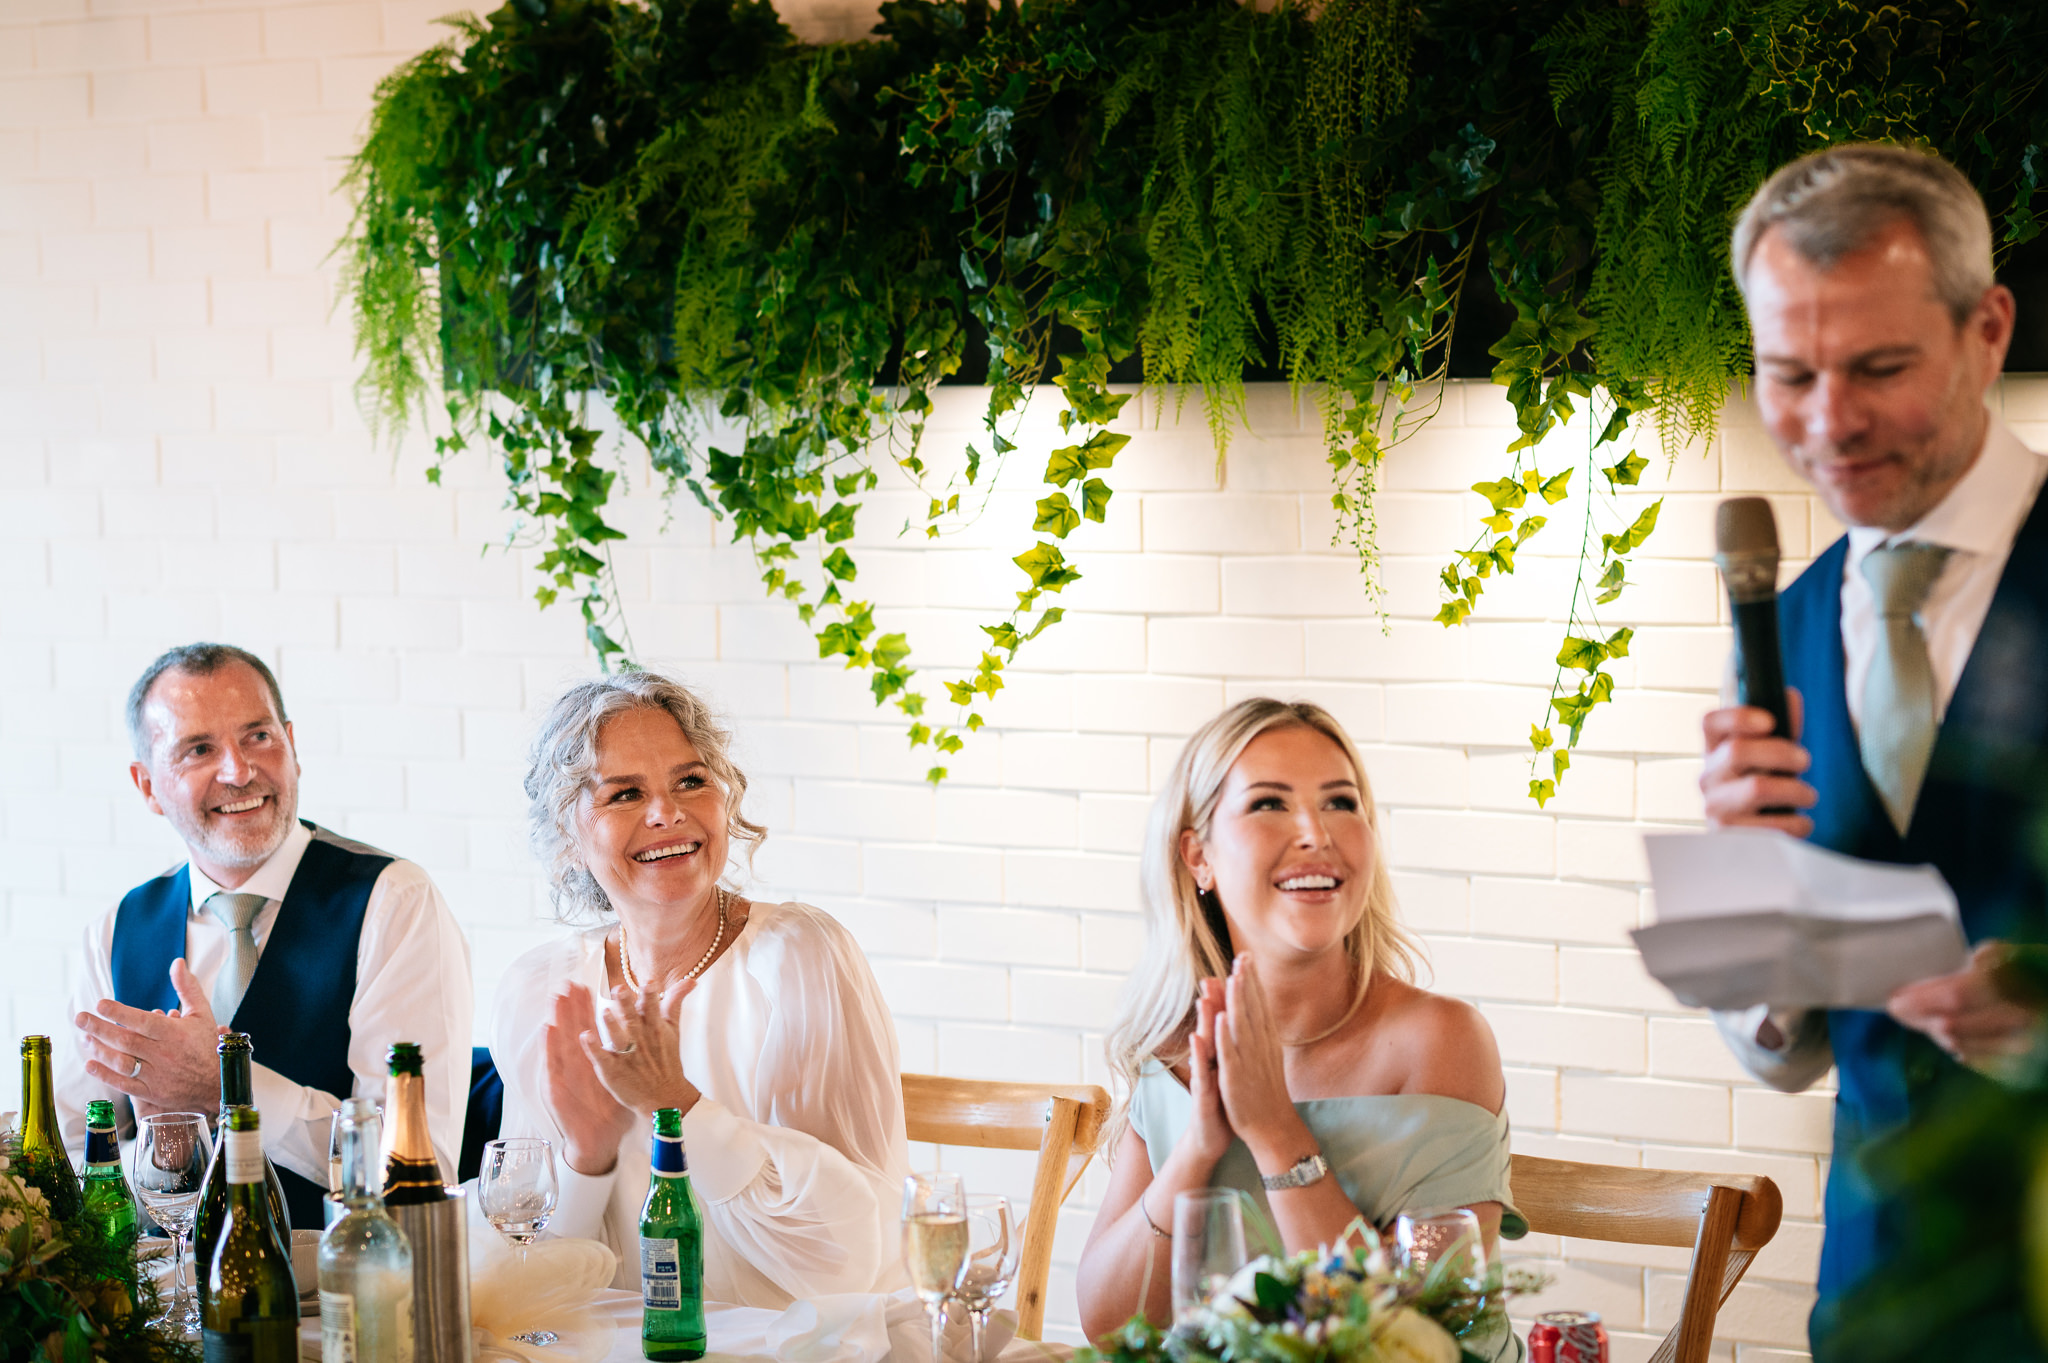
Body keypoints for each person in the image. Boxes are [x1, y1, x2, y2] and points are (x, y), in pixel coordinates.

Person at [1701, 143, 2048, 1353]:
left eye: (1877, 368)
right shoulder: (1785, 623)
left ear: (1986, 330)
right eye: (1785, 373)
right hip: (1871, 1303)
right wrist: (1753, 907)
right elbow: (1781, 1053)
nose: (1826, 422)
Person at [1077, 698, 1523, 1355]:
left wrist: (1274, 1130)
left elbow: (1419, 1338)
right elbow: (1108, 1323)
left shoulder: (1440, 1041)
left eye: (1341, 802)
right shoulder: (1177, 1044)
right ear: (1198, 855)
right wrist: (1199, 1146)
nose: (1315, 831)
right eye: (1269, 803)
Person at [492, 670, 910, 1304]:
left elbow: (849, 1256)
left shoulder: (799, 959)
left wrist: (679, 1106)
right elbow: (528, 1277)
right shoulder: (539, 990)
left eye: (691, 781)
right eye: (624, 794)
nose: (667, 812)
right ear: (568, 840)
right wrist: (587, 1156)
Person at [61, 643, 474, 1226]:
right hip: (165, 1300)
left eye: (258, 737)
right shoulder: (113, 933)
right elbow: (73, 1165)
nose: (238, 770)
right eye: (199, 749)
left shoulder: (393, 901)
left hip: (338, 1301)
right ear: (147, 786)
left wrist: (227, 1090)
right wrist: (165, 1155)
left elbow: (419, 1169)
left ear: (293, 746)